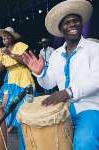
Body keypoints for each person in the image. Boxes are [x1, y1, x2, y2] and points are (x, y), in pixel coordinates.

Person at [22, 0, 99, 150]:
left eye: (75, 21)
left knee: (85, 143)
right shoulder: (56, 55)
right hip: (62, 109)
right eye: (67, 22)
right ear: (61, 29)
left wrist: (68, 92)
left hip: (89, 108)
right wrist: (40, 73)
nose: (72, 24)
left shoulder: (94, 48)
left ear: (81, 24)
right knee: (26, 125)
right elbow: (49, 82)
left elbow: (97, 79)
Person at [0, 27, 36, 134]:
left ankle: (19, 124)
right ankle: (9, 123)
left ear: (12, 37)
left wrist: (10, 54)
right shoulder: (0, 51)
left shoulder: (19, 46)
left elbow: (24, 61)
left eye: (8, 35)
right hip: (10, 77)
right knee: (6, 102)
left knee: (23, 101)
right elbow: (2, 67)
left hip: (22, 75)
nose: (6, 37)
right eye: (4, 35)